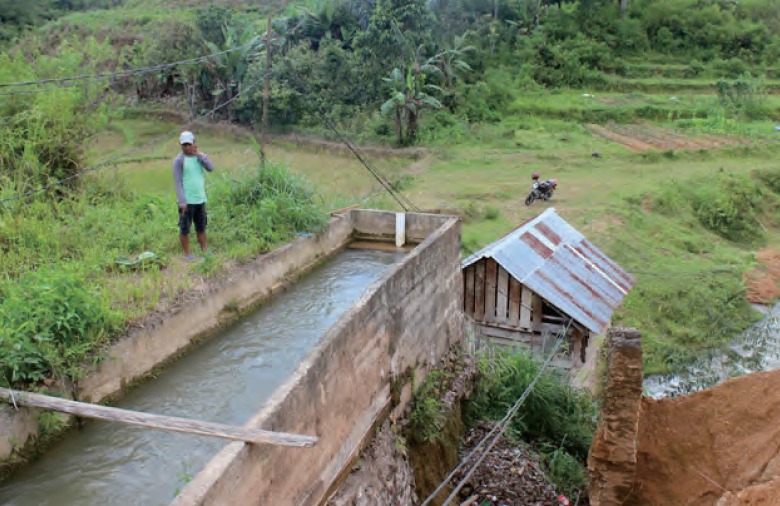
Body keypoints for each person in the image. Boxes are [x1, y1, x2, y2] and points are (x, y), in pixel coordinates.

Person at [173, 131, 215, 261]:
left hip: (200, 199)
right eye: (184, 145)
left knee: (201, 227)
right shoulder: (179, 161)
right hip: (186, 201)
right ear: (181, 145)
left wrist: (200, 155)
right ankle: (187, 254)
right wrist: (182, 201)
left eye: (189, 144)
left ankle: (205, 251)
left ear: (194, 144)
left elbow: (211, 168)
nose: (186, 147)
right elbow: (178, 182)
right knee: (185, 228)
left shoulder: (200, 157)